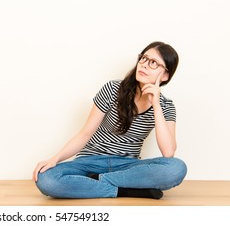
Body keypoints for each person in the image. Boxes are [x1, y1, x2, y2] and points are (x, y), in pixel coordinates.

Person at [33, 41, 187, 199]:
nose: (144, 65)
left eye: (153, 62)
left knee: (176, 168)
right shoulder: (112, 89)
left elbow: (168, 152)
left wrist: (155, 104)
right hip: (91, 161)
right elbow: (85, 133)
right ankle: (126, 191)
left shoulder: (165, 106)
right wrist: (55, 158)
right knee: (46, 179)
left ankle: (93, 183)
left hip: (127, 167)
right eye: (143, 58)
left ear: (166, 74)